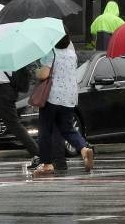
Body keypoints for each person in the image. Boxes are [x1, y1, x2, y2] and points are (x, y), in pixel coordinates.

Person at [32, 36, 95, 176]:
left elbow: (44, 74)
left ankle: (47, 164)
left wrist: (36, 72)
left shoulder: (51, 52)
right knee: (67, 129)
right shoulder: (72, 53)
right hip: (70, 97)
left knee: (45, 130)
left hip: (52, 97)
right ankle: (84, 149)